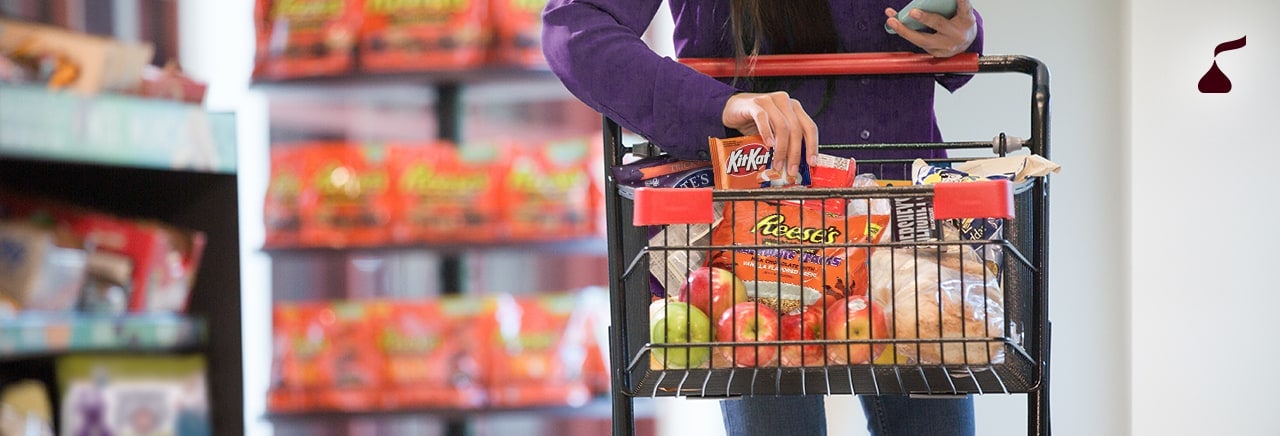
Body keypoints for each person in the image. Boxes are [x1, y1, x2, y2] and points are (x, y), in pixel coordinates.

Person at [542, 0, 982, 435]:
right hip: (759, 238)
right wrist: (719, 105)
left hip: (907, 222)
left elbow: (933, 20)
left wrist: (963, 33)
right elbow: (573, 29)